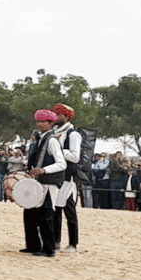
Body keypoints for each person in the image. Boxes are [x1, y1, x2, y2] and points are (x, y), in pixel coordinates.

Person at [21, 109, 66, 258]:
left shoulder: (52, 140)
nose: (40, 124)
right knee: (32, 214)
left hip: (48, 182)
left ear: (50, 123)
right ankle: (34, 245)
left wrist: (44, 170)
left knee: (46, 215)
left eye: (43, 121)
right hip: (38, 182)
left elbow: (61, 163)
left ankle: (49, 248)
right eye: (38, 121)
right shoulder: (40, 139)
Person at [51, 103, 81, 254]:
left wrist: (59, 151)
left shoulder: (73, 134)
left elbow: (75, 157)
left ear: (66, 117)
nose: (57, 118)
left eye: (60, 115)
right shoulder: (55, 133)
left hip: (68, 177)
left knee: (69, 211)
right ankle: (56, 241)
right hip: (56, 176)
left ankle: (73, 244)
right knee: (55, 209)